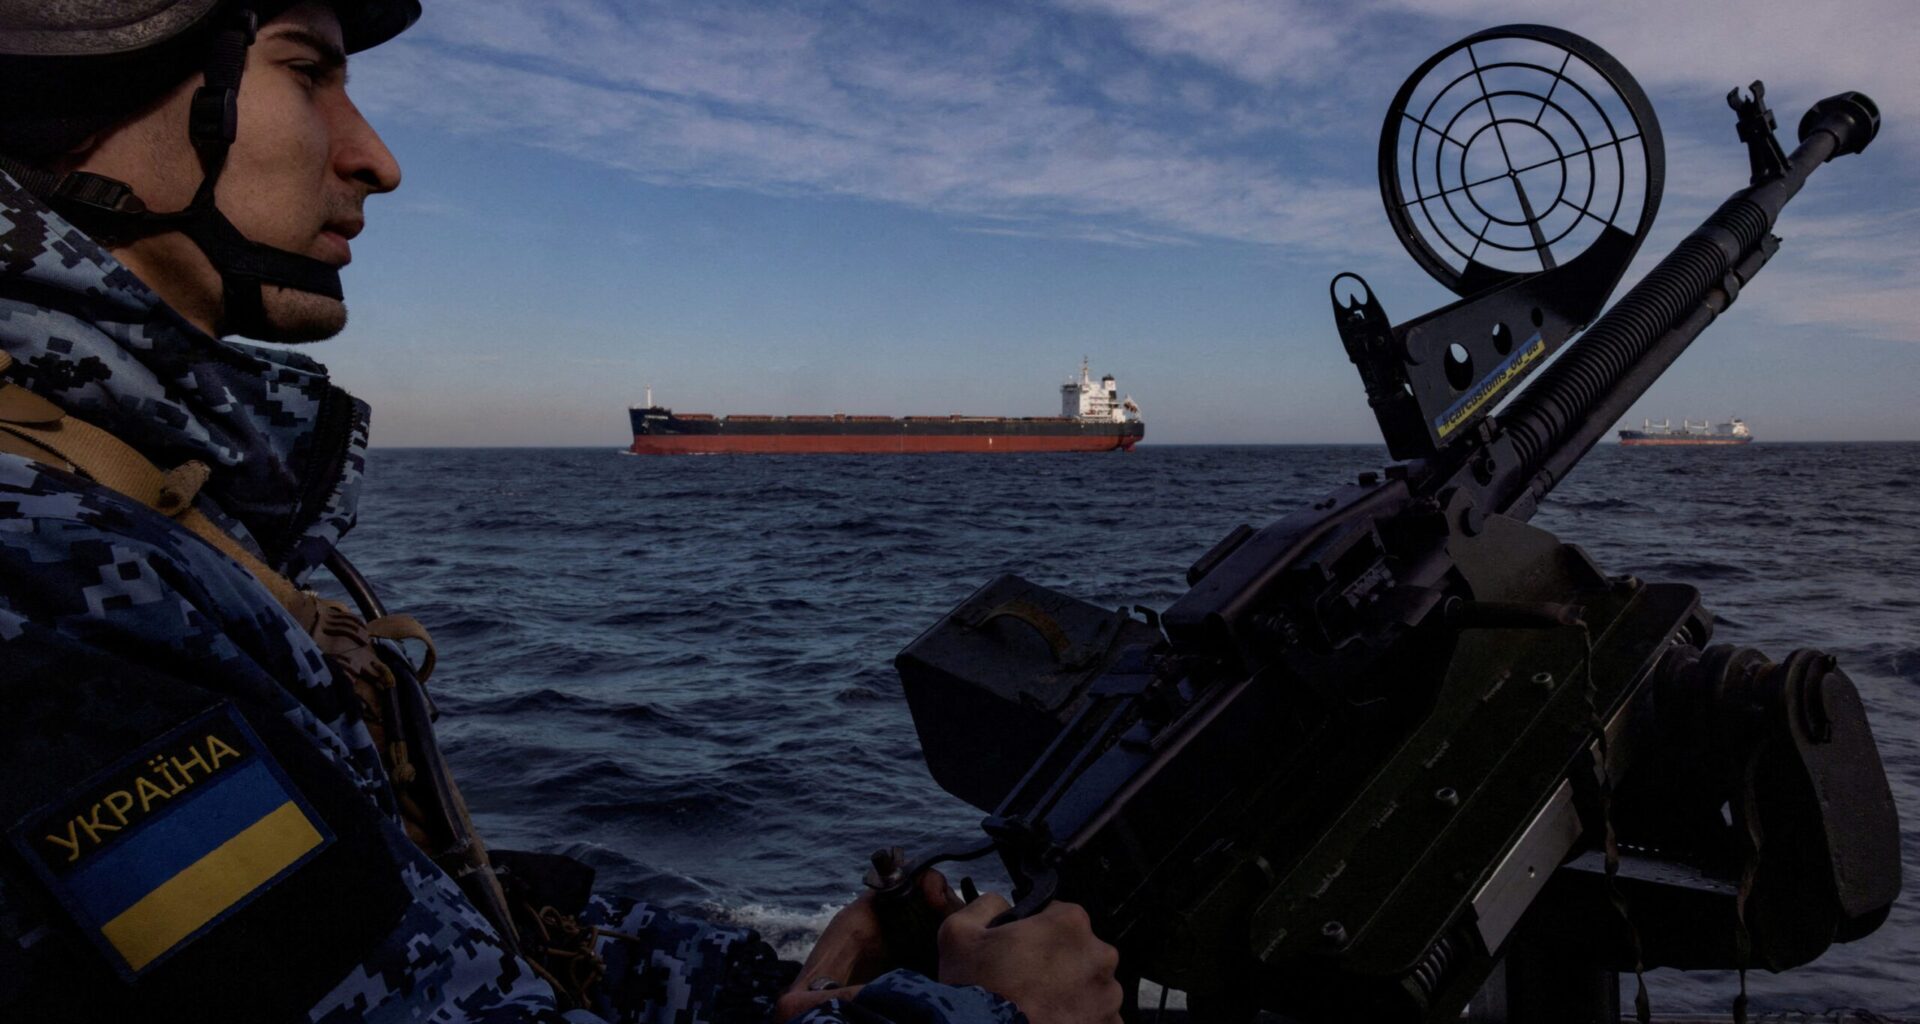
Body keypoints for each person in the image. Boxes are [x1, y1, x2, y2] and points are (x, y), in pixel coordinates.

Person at [0, 2, 1125, 1021]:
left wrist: (779, 982)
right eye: (307, 74)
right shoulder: (47, 581)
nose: (377, 158)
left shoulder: (150, 509)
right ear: (84, 78)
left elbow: (418, 942)